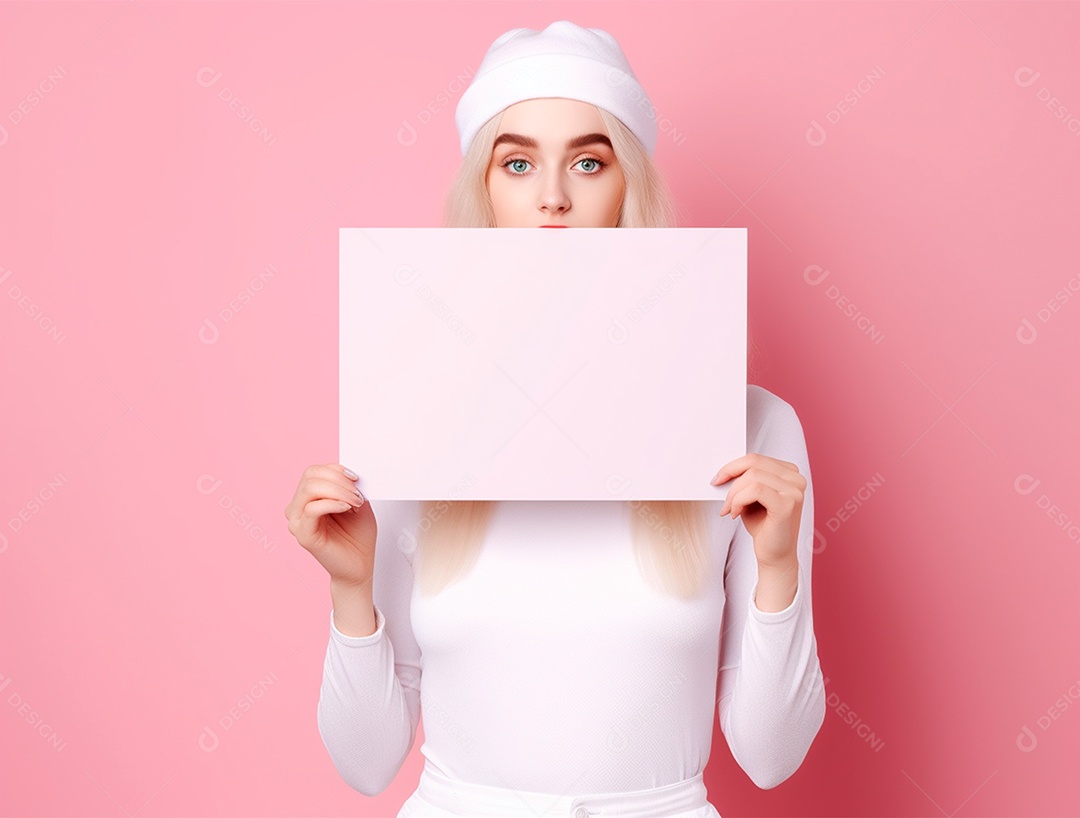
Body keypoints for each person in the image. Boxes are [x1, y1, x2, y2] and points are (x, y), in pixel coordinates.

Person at [284, 20, 826, 818]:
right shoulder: (413, 418)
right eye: (517, 163)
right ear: (485, 194)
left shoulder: (752, 431)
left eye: (587, 161)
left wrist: (778, 571)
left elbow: (771, 759)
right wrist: (351, 588)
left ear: (628, 186)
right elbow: (366, 766)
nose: (553, 197)